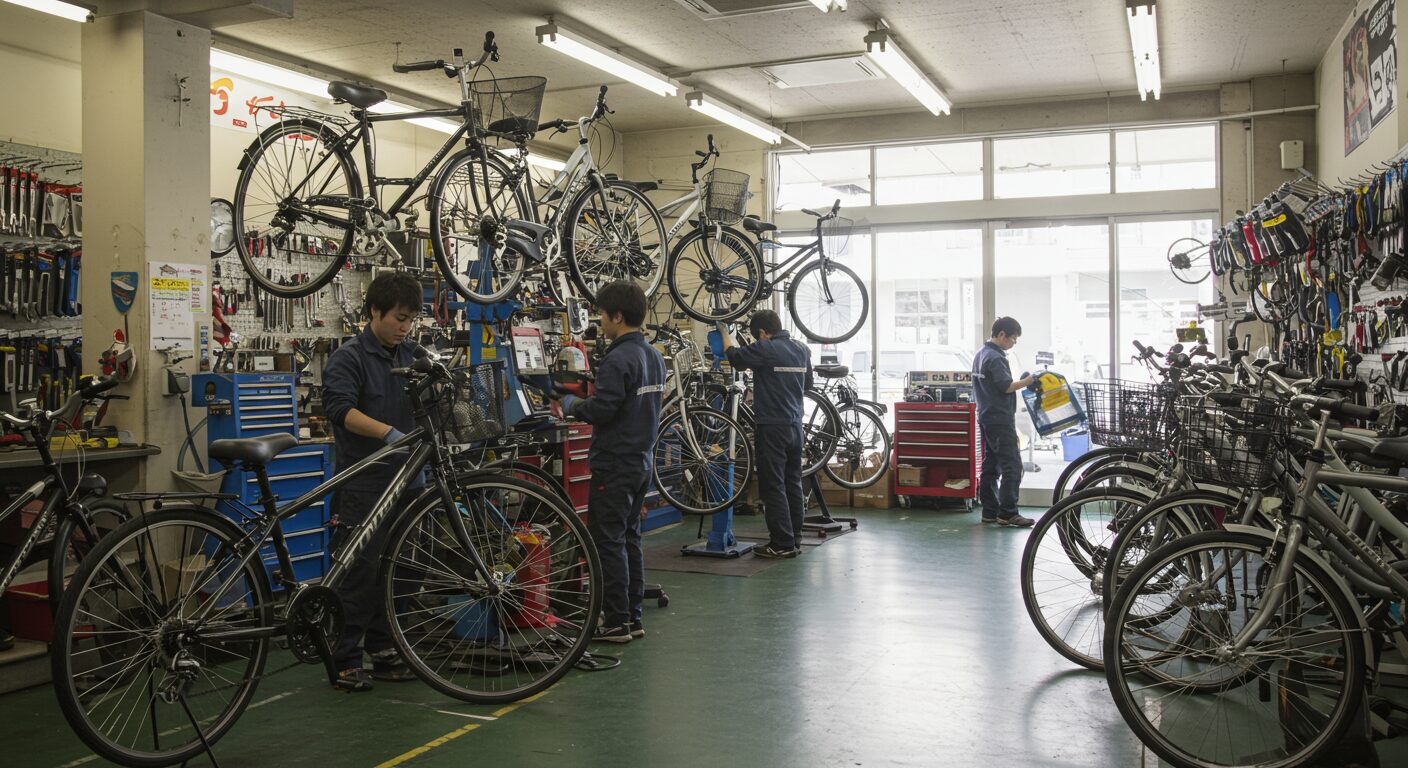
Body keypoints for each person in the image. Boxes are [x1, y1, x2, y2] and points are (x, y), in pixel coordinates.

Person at [320, 272, 424, 691]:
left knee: (404, 569)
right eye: (399, 318)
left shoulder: (412, 355)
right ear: (374, 312)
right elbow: (341, 411)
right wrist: (385, 432)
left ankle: (384, 647)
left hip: (410, 480)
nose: (405, 327)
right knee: (358, 573)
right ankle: (345, 655)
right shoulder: (349, 358)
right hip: (365, 483)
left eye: (411, 319)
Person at [559, 281, 666, 644]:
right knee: (629, 539)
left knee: (607, 541)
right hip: (640, 461)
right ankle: (632, 617)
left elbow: (604, 409)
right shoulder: (653, 355)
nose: (599, 322)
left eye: (602, 315)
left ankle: (616, 621)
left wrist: (572, 407)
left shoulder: (618, 358)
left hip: (615, 463)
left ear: (617, 316)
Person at [719, 310, 813, 558]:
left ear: (762, 334)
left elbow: (735, 357)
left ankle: (781, 543)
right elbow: (808, 385)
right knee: (792, 482)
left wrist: (723, 332)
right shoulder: (802, 349)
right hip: (795, 425)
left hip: (772, 427)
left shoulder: (766, 348)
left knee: (773, 485)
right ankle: (794, 537)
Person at [972, 317, 1036, 528]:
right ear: (1001, 335)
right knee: (1012, 466)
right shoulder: (996, 358)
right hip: (999, 418)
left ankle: (990, 511)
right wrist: (1027, 382)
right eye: (1013, 339)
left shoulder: (981, 354)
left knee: (991, 465)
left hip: (986, 416)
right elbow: (1006, 386)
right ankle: (1008, 513)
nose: (1013, 343)